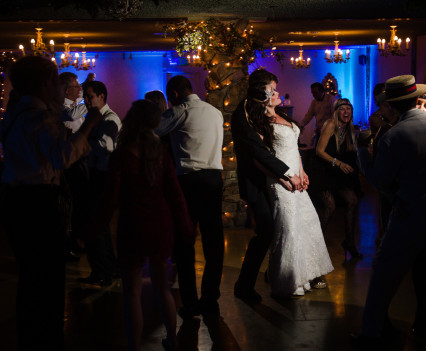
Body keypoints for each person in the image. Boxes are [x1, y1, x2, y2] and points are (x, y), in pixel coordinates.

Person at [0, 55, 101, 351]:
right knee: (48, 282)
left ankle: (30, 339)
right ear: (46, 83)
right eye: (57, 82)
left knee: (31, 280)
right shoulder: (39, 117)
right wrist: (90, 124)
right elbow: (62, 158)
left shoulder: (16, 114)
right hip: (39, 203)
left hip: (17, 200)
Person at [81, 99, 194, 351]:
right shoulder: (161, 152)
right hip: (160, 223)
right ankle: (173, 341)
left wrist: (89, 231)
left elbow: (109, 200)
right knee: (162, 287)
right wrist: (185, 227)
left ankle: (133, 346)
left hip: (133, 224)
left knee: (131, 292)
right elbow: (175, 195)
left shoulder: (122, 155)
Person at [355, 75, 426, 346]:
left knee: (384, 274)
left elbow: (377, 180)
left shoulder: (395, 136)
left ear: (393, 107)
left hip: (410, 214)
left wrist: (362, 151)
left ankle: (371, 335)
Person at [245, 81, 334, 297]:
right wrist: (283, 178)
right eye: (273, 92)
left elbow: (294, 149)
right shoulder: (260, 123)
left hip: (297, 177)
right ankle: (287, 278)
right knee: (288, 227)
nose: (277, 93)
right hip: (280, 181)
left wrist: (302, 172)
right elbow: (259, 159)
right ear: (264, 100)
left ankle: (308, 273)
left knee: (308, 222)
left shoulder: (284, 116)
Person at [155, 75, 224, 319]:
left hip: (189, 180)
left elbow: (152, 130)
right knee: (214, 241)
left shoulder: (179, 112)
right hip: (215, 179)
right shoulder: (215, 112)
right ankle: (210, 299)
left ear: (174, 94)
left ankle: (191, 302)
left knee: (184, 242)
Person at [231, 69, 302, 302]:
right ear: (263, 89)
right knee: (266, 231)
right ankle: (244, 285)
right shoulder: (242, 114)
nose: (274, 91)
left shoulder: (259, 109)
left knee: (277, 228)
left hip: (271, 179)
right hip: (256, 183)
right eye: (272, 87)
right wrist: (286, 174)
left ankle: (273, 273)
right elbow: (258, 152)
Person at [78, 80, 122, 286]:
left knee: (97, 226)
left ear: (102, 96)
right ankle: (107, 269)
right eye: (85, 97)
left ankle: (103, 271)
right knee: (98, 226)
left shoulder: (109, 119)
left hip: (102, 177)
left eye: (90, 96)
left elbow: (107, 146)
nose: (86, 100)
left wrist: (82, 142)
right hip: (97, 175)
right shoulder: (97, 117)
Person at [312, 98, 362, 259]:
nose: (346, 112)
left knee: (352, 200)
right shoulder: (330, 125)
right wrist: (338, 163)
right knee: (330, 207)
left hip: (336, 172)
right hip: (322, 170)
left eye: (349, 109)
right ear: (336, 112)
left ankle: (349, 241)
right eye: (343, 109)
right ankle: (313, 244)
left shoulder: (350, 129)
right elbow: (319, 151)